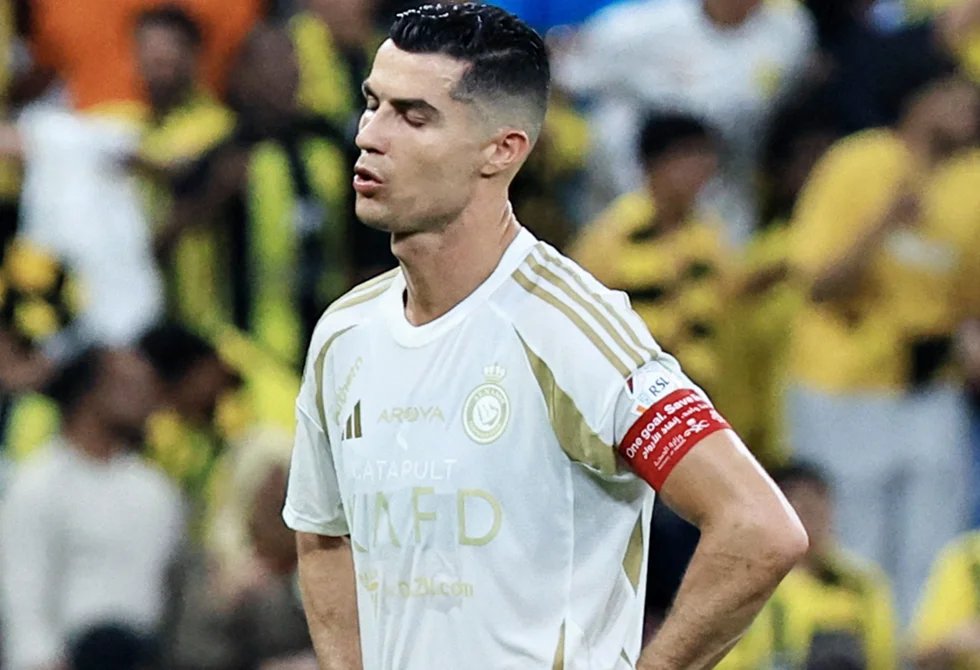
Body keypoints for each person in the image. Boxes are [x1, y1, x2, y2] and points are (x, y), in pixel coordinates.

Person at [282, 5, 807, 669]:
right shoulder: (344, 335)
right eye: (372, 104)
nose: (369, 135)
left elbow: (759, 527)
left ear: (502, 150)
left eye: (413, 117)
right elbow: (323, 536)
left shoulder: (568, 329)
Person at [786, 71, 980, 623]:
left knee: (932, 550)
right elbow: (816, 283)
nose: (970, 109)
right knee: (853, 544)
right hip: (841, 383)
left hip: (930, 387)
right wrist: (885, 223)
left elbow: (969, 300)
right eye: (957, 95)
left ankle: (919, 653)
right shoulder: (859, 161)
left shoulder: (974, 180)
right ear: (919, 97)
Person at [554, 0, 814, 242]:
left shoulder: (790, 31)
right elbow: (564, 76)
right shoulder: (639, 26)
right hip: (629, 190)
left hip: (727, 192)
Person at [0, 346, 184, 670]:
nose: (146, 397)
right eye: (130, 385)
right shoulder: (38, 484)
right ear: (89, 392)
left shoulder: (156, 490)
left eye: (149, 385)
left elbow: (170, 592)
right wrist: (39, 658)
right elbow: (22, 593)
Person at [720, 462, 898, 670]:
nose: (814, 523)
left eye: (821, 511)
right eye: (804, 511)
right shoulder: (747, 587)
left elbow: (884, 659)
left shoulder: (861, 584)